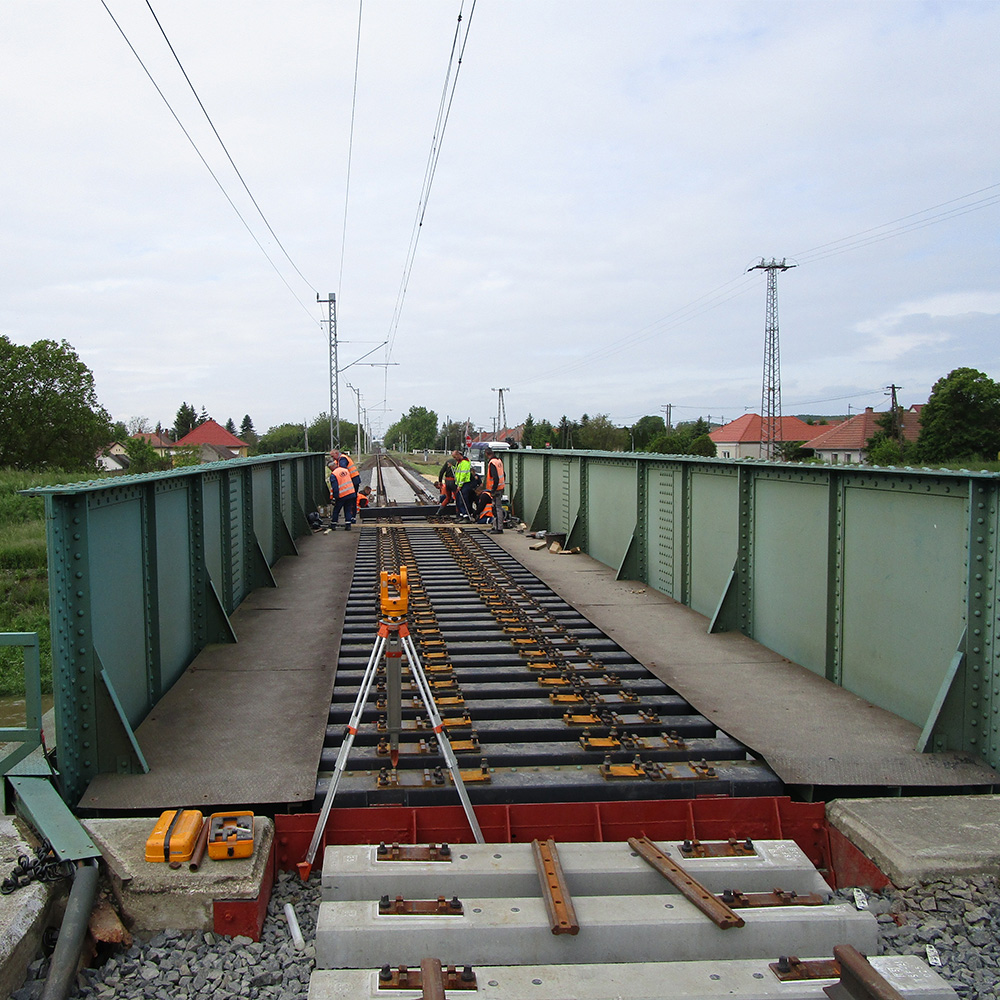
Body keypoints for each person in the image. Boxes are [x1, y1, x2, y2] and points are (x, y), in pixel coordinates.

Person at [329, 461, 357, 529]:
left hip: (342, 495)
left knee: (336, 509)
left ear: (331, 467)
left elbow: (335, 488)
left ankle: (333, 524)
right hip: (351, 493)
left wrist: (335, 497)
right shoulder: (345, 470)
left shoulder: (334, 474)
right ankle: (348, 525)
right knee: (347, 508)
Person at [484, 447, 505, 533]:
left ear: (487, 454)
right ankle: (495, 526)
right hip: (500, 487)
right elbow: (504, 474)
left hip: (496, 489)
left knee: (497, 508)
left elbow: (495, 477)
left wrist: (493, 490)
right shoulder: (499, 461)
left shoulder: (492, 463)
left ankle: (499, 528)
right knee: (495, 507)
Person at [452, 449, 474, 522]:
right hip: (459, 484)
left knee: (463, 500)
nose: (454, 459)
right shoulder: (459, 463)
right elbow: (458, 472)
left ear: (458, 455)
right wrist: (453, 467)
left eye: (455, 457)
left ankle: (466, 516)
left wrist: (460, 485)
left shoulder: (464, 463)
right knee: (458, 500)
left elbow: (463, 475)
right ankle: (461, 515)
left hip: (464, 484)